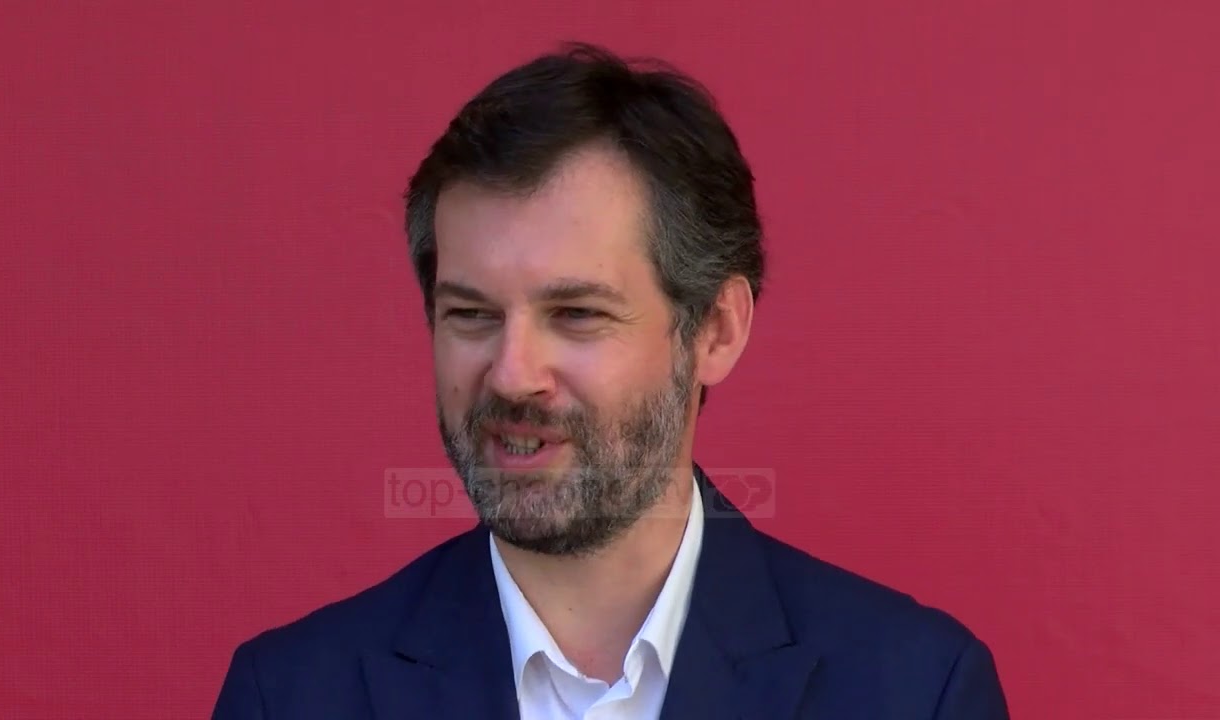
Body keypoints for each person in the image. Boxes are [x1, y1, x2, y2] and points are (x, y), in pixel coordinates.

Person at [211, 42, 1010, 719]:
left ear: (716, 331)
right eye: (471, 314)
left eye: (577, 314)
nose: (513, 375)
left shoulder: (913, 693)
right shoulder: (290, 697)